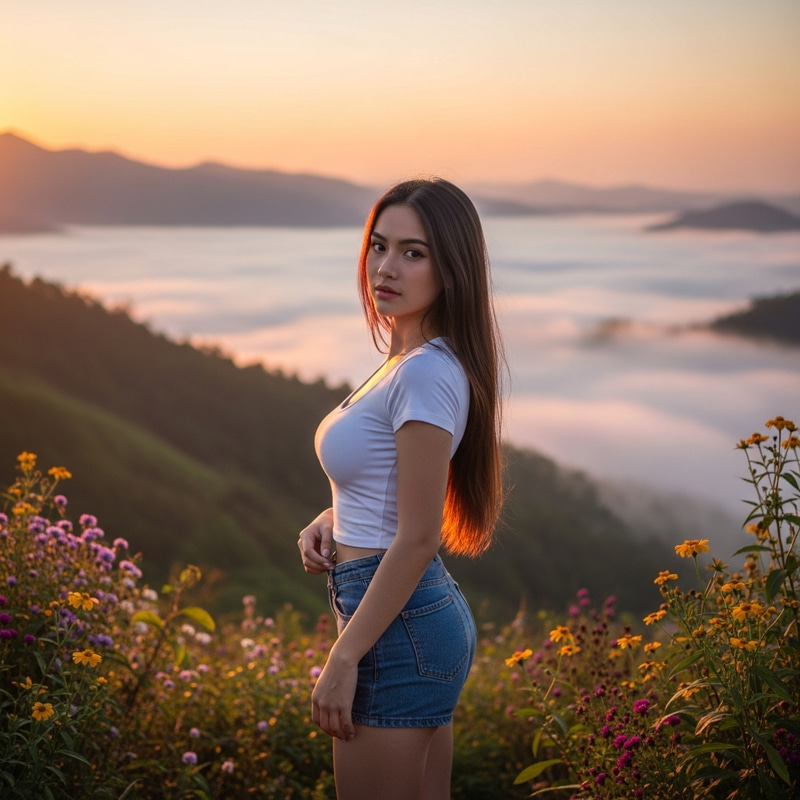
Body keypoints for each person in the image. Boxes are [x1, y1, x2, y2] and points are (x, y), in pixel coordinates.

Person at [297, 177, 504, 800]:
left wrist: (342, 659)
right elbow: (391, 488)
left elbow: (418, 536)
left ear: (453, 269)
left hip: (396, 621)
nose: (386, 268)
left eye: (414, 253)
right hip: (408, 615)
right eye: (379, 246)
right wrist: (334, 516)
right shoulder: (407, 363)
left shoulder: (426, 374)